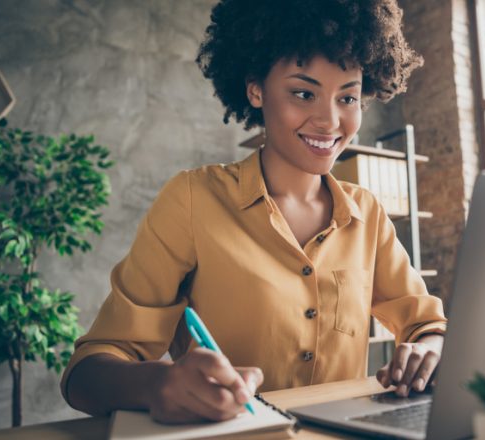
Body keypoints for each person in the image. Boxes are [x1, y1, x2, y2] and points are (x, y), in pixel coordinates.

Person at [61, 0, 446, 424]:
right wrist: (158, 385)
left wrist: (428, 350)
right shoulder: (192, 200)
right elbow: (85, 376)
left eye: (348, 97)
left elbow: (428, 325)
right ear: (256, 89)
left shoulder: (366, 213)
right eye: (304, 93)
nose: (330, 120)